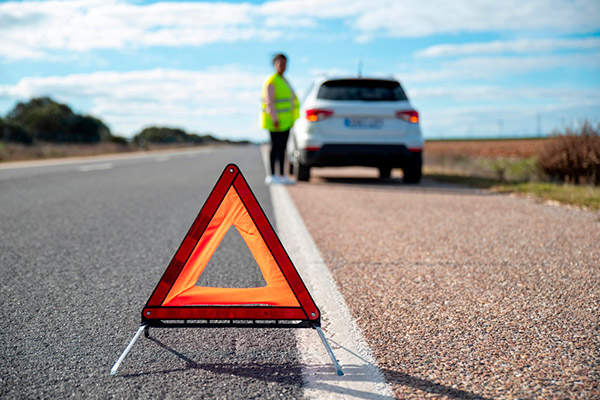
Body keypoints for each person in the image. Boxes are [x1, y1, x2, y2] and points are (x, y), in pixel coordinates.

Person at [261, 53, 299, 185]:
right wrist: (274, 118)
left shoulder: (285, 80)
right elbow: (269, 102)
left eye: (284, 64)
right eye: (280, 63)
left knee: (282, 149)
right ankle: (272, 175)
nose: (283, 66)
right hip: (276, 122)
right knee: (275, 147)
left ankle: (282, 175)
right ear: (274, 64)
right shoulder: (272, 81)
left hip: (286, 122)